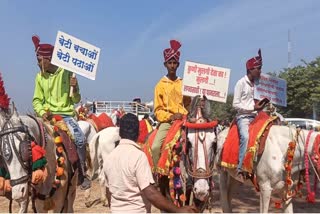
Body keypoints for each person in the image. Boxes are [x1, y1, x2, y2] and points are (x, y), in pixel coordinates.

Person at [104, 113, 198, 213]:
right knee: (156, 147)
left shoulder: (109, 158)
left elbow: (108, 192)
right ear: (138, 133)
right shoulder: (138, 156)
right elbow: (150, 193)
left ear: (120, 133)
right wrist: (178, 210)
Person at [31, 35, 91, 190]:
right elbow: (37, 100)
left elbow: (76, 99)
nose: (37, 63)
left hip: (66, 116)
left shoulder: (68, 72)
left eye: (39, 60)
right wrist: (42, 112)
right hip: (46, 117)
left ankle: (82, 173)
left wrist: (75, 87)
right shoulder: (39, 77)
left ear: (49, 59)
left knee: (80, 141)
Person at [152, 40, 189, 168]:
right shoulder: (160, 85)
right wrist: (171, 117)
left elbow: (188, 104)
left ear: (178, 65)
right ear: (165, 64)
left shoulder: (184, 83)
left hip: (184, 120)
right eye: (170, 63)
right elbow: (157, 110)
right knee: (156, 147)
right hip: (167, 122)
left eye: (174, 63)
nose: (172, 65)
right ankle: (157, 174)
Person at [232, 49, 268, 182]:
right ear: (250, 69)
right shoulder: (241, 83)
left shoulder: (259, 84)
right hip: (244, 117)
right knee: (246, 137)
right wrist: (253, 107)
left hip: (258, 115)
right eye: (258, 69)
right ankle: (240, 169)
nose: (260, 71)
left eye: (261, 68)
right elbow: (235, 104)